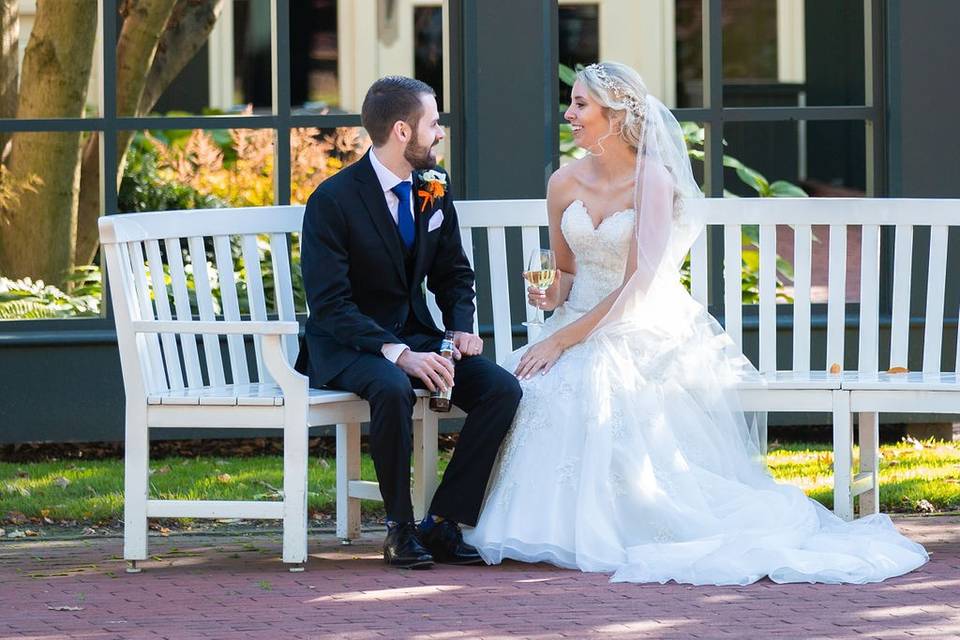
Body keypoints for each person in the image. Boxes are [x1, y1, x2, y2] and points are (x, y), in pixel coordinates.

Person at [463, 62, 928, 585]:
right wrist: (550, 293)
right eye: (571, 104)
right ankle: (534, 525)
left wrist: (566, 339)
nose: (569, 115)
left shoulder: (652, 180)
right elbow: (567, 269)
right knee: (533, 392)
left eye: (580, 105)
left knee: (593, 393)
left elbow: (641, 281)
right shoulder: (562, 181)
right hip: (573, 321)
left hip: (637, 323)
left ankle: (628, 523)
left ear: (616, 115)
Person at [298, 76, 522, 569]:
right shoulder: (332, 201)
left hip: (417, 335)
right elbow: (330, 306)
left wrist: (460, 326)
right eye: (433, 123)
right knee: (393, 387)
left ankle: (443, 522)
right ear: (402, 130)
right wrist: (400, 354)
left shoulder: (432, 188)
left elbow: (454, 273)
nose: (439, 133)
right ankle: (400, 529)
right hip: (346, 345)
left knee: (501, 390)